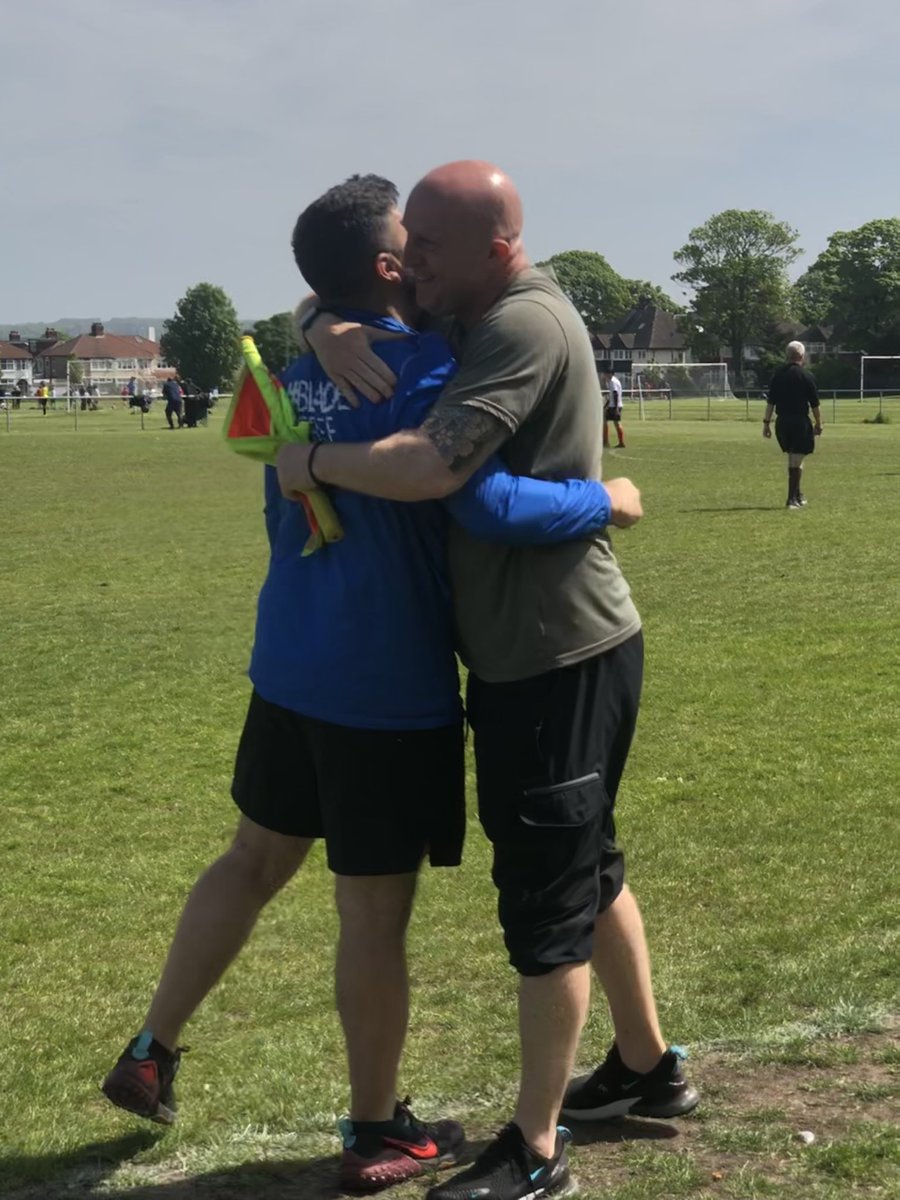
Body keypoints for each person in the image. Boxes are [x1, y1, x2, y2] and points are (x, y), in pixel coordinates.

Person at [101, 174, 636, 1194]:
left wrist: (315, 318)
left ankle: (152, 1047)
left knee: (252, 859)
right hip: (384, 685)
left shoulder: (293, 365)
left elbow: (320, 323)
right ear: (391, 267)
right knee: (370, 917)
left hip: (289, 659)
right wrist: (600, 499)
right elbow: (465, 493)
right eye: (412, 245)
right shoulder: (429, 362)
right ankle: (380, 1127)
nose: (426, 259)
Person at [280, 160, 697, 1200]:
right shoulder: (469, 308)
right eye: (403, 245)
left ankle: (536, 1149)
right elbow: (339, 291)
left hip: (554, 653)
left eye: (428, 248)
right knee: (587, 861)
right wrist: (319, 326)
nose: (408, 264)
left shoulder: (518, 327)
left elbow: (437, 474)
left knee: (547, 899)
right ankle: (649, 1069)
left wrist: (315, 463)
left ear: (496, 248)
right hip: (539, 651)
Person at [764, 340, 822, 508]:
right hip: (799, 422)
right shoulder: (806, 376)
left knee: (794, 457)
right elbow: (815, 404)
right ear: (802, 356)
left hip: (782, 422)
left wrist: (766, 423)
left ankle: (798, 494)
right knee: (795, 460)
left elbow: (770, 402)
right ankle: (791, 500)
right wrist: (819, 423)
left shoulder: (777, 375)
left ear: (787, 355)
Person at [602, 363, 625, 448]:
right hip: (612, 405)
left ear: (610, 373)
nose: (605, 375)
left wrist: (616, 409)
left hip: (615, 406)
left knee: (617, 423)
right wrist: (606, 405)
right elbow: (611, 395)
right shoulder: (611, 381)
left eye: (606, 373)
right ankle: (606, 441)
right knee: (605, 421)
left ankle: (620, 442)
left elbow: (615, 394)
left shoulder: (613, 381)